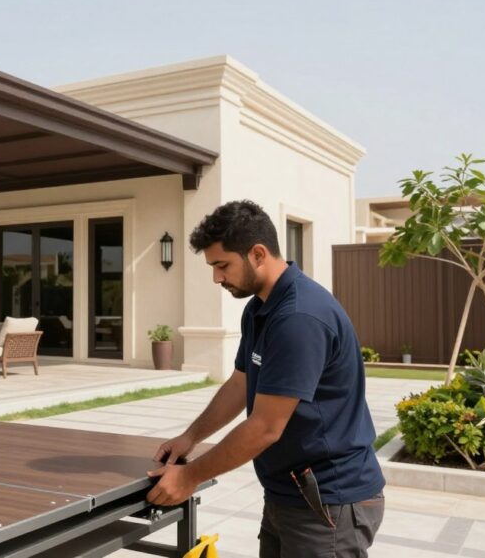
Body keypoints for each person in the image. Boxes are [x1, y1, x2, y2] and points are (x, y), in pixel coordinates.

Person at [145, 200, 385, 558]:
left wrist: (189, 476)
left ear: (258, 253)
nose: (217, 278)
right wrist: (190, 438)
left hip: (328, 504)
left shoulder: (299, 317)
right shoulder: (259, 308)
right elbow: (240, 384)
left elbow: (265, 427)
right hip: (288, 494)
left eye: (222, 265)